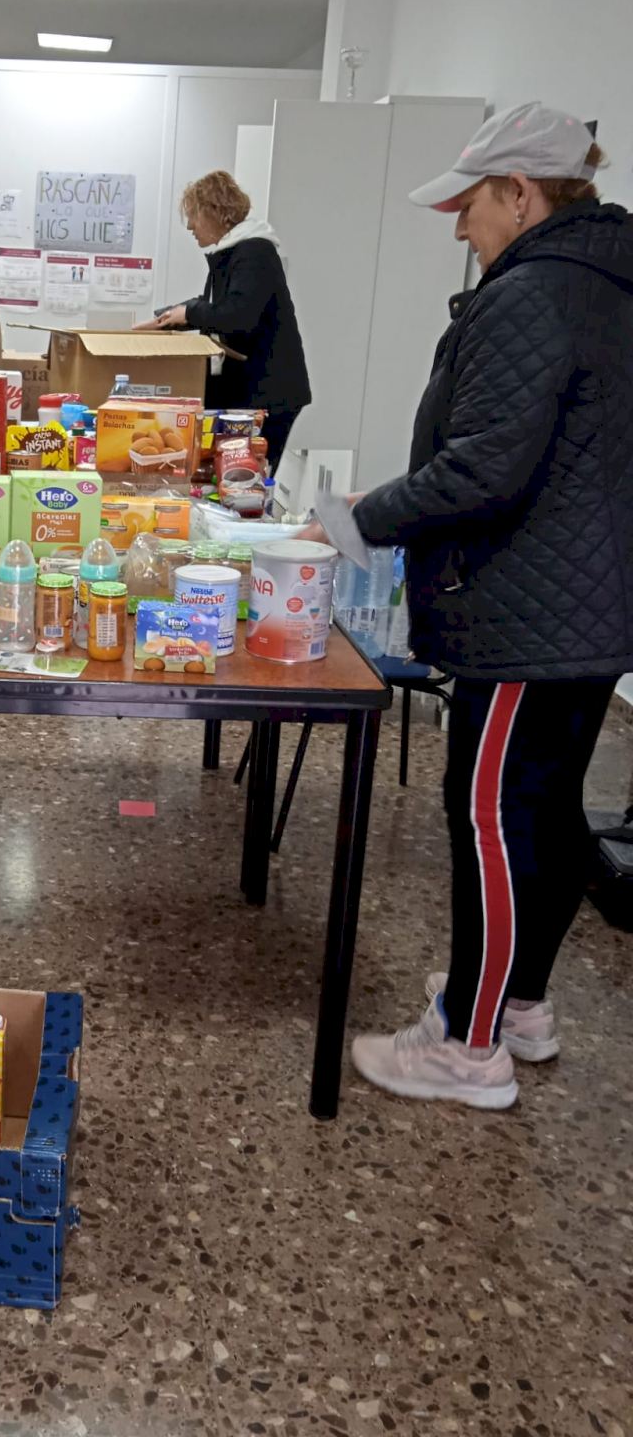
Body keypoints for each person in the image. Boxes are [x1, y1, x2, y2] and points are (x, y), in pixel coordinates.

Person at [301, 102, 633, 1109]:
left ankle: (466, 1044)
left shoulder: (531, 292)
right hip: (592, 606)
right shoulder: (609, 281)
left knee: (490, 813)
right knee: (548, 808)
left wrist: (363, 516)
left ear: (521, 193)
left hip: (526, 612)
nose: (461, 227)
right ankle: (520, 1003)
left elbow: (487, 468)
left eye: (470, 204)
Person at [133, 169, 310, 464]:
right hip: (247, 386)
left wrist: (188, 312)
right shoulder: (234, 253)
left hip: (267, 391)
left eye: (193, 215)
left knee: (247, 474)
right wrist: (165, 319)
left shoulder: (254, 253)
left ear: (215, 212)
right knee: (228, 468)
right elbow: (214, 305)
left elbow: (237, 315)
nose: (190, 226)